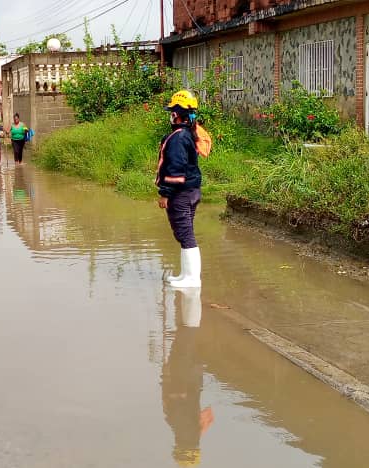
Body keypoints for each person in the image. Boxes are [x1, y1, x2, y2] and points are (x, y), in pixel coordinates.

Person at [162, 288, 214, 467]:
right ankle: (192, 293)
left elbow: (208, 415)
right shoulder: (175, 423)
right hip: (183, 375)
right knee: (187, 331)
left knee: (188, 331)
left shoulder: (187, 429)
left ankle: (192, 294)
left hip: (190, 377)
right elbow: (173, 399)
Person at [158, 90, 204, 289]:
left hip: (181, 193)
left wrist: (165, 194)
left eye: (172, 111)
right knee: (185, 233)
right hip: (191, 190)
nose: (170, 115)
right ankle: (185, 275)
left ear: (177, 114)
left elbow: (176, 169)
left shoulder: (177, 138)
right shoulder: (187, 134)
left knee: (185, 234)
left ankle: (193, 279)